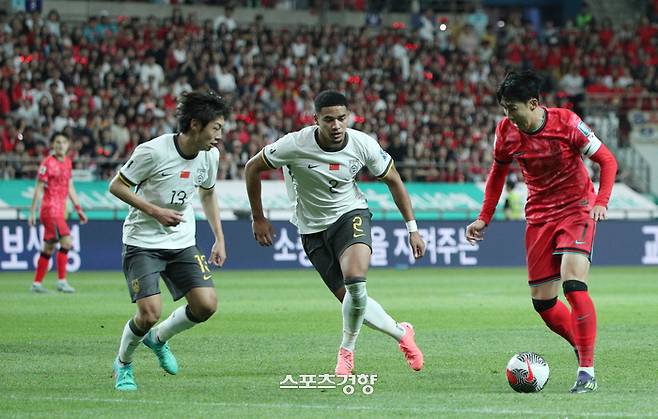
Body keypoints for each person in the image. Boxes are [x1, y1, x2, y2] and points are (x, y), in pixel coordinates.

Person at [245, 90, 427, 376]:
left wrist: (412, 229)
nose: (336, 125)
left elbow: (393, 179)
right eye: (328, 119)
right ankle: (402, 333)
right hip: (311, 229)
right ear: (315, 119)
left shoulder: (362, 143)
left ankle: (346, 352)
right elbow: (252, 168)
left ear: (348, 117)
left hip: (350, 214)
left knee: (356, 281)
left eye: (342, 118)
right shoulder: (294, 145)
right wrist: (258, 217)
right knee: (354, 301)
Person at [465, 71, 618, 393]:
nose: (508, 115)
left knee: (574, 285)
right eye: (504, 108)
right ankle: (582, 346)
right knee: (544, 304)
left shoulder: (567, 123)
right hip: (538, 217)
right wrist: (484, 218)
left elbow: (607, 160)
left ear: (533, 104)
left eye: (513, 107)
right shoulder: (505, 131)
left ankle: (586, 371)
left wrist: (601, 202)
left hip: (577, 208)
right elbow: (496, 174)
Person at [108, 90, 230, 391]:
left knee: (206, 306)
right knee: (149, 313)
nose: (219, 136)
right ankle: (123, 363)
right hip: (143, 242)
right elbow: (117, 186)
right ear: (194, 125)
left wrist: (219, 236)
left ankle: (159, 338)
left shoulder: (210, 156)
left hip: (182, 241)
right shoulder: (153, 152)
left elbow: (208, 192)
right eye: (216, 128)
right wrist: (155, 211)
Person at [28, 132, 87, 293]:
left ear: (68, 146)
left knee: (48, 247)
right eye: (57, 142)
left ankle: (36, 284)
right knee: (66, 241)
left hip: (60, 211)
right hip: (50, 210)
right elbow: (38, 188)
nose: (60, 145)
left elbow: (70, 187)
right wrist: (32, 212)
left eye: (63, 142)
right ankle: (61, 281)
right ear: (53, 145)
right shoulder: (47, 163)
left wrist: (78, 208)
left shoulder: (68, 162)